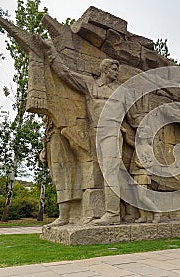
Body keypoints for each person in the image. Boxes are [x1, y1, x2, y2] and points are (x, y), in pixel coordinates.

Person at [44, 40, 122, 225]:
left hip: (112, 132)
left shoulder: (119, 90)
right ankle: (90, 212)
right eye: (114, 69)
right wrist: (52, 52)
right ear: (104, 70)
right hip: (95, 134)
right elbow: (66, 74)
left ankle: (113, 213)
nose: (117, 73)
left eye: (117, 70)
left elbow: (130, 115)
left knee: (110, 171)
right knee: (96, 172)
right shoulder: (90, 84)